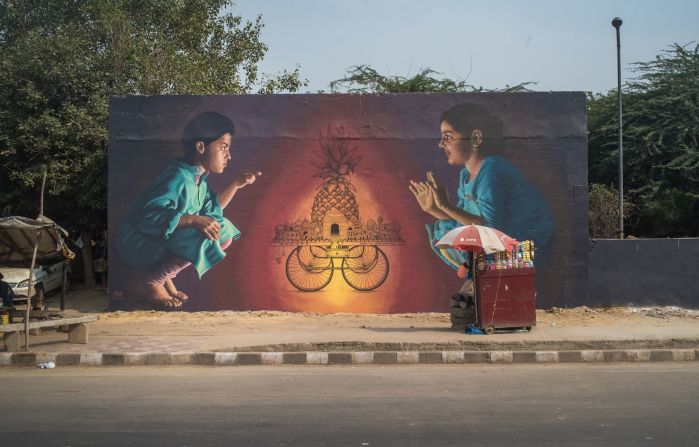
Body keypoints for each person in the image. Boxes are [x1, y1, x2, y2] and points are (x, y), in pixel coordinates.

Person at [116, 112, 261, 309]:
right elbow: (145, 218)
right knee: (209, 233)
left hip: (158, 239)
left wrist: (236, 184)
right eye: (223, 148)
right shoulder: (178, 177)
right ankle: (153, 280)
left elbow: (213, 212)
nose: (229, 156)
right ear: (200, 147)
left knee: (220, 228)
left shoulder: (198, 179)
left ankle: (163, 277)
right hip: (137, 242)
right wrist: (193, 220)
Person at [409, 102, 554, 274]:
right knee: (445, 229)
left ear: (476, 138)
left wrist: (444, 206)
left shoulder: (492, 169)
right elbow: (463, 221)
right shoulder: (465, 174)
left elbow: (490, 228)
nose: (441, 144)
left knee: (456, 236)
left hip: (524, 244)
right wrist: (434, 209)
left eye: (447, 137)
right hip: (496, 240)